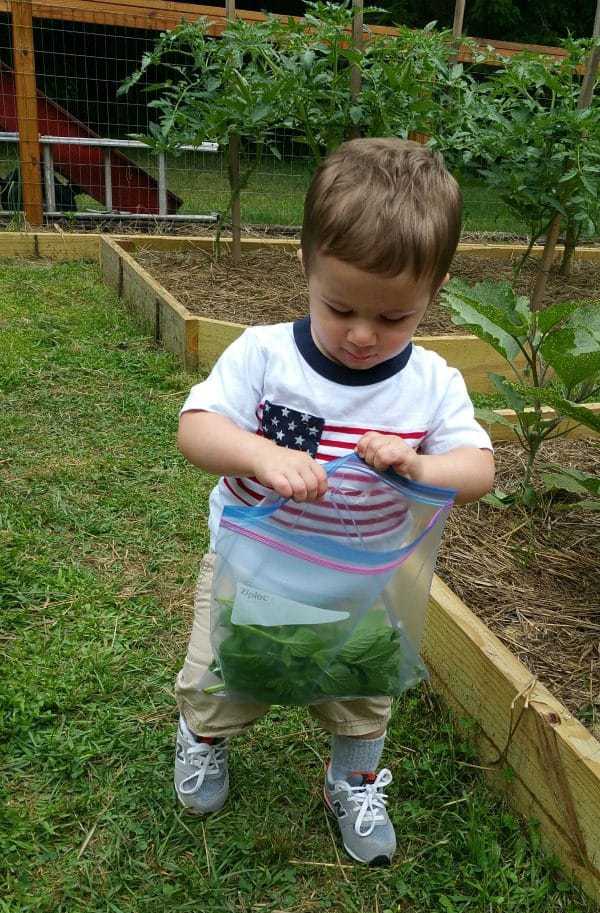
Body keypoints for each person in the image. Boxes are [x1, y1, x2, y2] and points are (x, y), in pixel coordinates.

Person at [173, 138, 495, 866]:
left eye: (394, 319)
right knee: (228, 674)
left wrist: (420, 462)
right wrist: (263, 453)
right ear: (306, 264)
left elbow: (479, 468)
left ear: (433, 292)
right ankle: (202, 740)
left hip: (364, 583)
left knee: (362, 693)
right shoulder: (263, 355)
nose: (361, 334)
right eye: (341, 306)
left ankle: (352, 779)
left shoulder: (433, 384)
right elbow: (197, 428)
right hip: (254, 571)